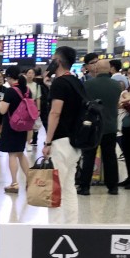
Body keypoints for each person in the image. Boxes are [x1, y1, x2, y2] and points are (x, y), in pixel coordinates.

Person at [42, 46, 85, 223]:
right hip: (75, 141)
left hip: (60, 142)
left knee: (54, 190)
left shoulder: (60, 84)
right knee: (68, 188)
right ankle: (71, 226)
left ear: (58, 62)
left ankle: (54, 229)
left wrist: (47, 142)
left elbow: (55, 113)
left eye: (53, 59)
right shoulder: (76, 82)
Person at [77, 59, 122, 195]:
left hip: (92, 126)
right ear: (109, 70)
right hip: (110, 126)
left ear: (96, 69)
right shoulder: (117, 85)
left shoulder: (87, 84)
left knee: (89, 156)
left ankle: (85, 187)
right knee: (110, 157)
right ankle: (112, 187)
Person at [0, 66, 36, 194]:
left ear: (8, 77)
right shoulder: (27, 90)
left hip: (11, 125)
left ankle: (14, 183)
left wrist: (0, 103)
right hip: (24, 125)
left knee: (12, 154)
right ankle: (30, 181)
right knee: (20, 153)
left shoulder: (10, 91)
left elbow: (3, 110)